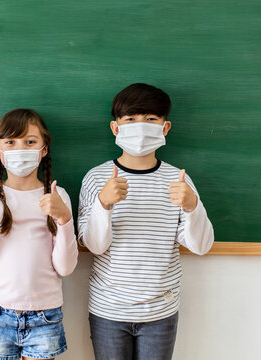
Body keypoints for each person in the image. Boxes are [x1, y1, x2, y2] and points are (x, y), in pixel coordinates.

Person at [78, 83, 214, 360]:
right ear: (116, 128)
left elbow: (200, 246)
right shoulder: (96, 178)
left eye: (151, 119)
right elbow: (94, 245)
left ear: (165, 128)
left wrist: (193, 207)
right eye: (130, 119)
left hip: (160, 311)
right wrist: (103, 204)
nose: (140, 126)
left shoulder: (179, 181)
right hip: (109, 309)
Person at [0, 108, 78, 360]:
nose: (20, 149)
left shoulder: (58, 196)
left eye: (30, 141)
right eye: (11, 142)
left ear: (44, 149)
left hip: (45, 313)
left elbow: (66, 267)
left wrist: (64, 219)